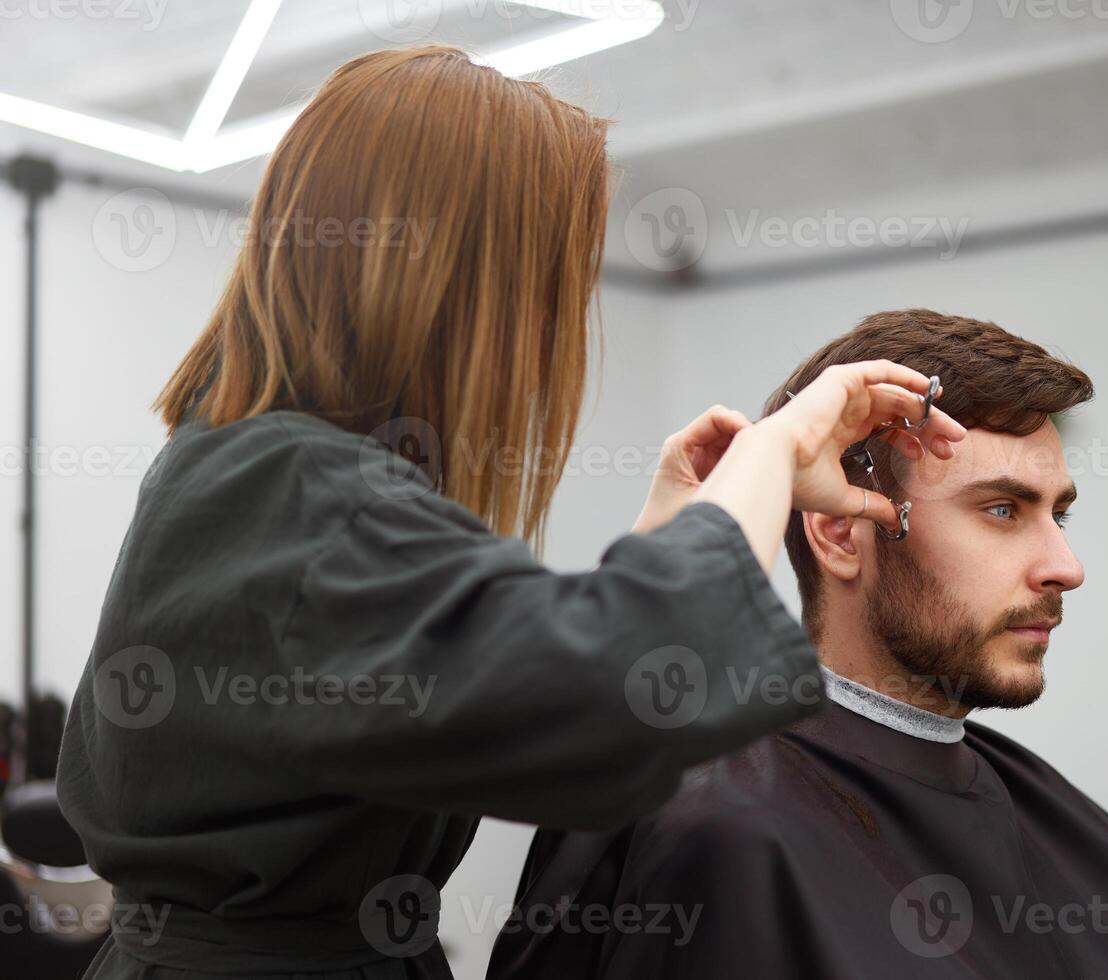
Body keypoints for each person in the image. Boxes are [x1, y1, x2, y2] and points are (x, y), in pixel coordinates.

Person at [53, 51, 967, 980]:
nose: (560, 323)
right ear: (461, 280)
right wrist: (776, 452)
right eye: (553, 282)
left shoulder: (243, 465)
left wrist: (673, 522)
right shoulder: (289, 490)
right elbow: (613, 700)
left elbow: (526, 690)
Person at [487, 309, 1108, 979]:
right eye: (1003, 510)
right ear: (840, 532)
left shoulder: (1019, 796)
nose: (1066, 567)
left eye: (1060, 514)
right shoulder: (721, 826)